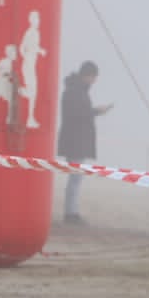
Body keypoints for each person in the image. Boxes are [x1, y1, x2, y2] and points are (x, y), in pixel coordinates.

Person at [57, 60, 112, 225]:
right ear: (87, 75)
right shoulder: (75, 91)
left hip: (75, 140)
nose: (94, 81)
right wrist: (96, 111)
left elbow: (79, 113)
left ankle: (71, 211)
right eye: (94, 77)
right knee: (75, 178)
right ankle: (71, 213)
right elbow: (78, 114)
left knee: (75, 178)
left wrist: (94, 111)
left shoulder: (75, 90)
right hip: (75, 141)